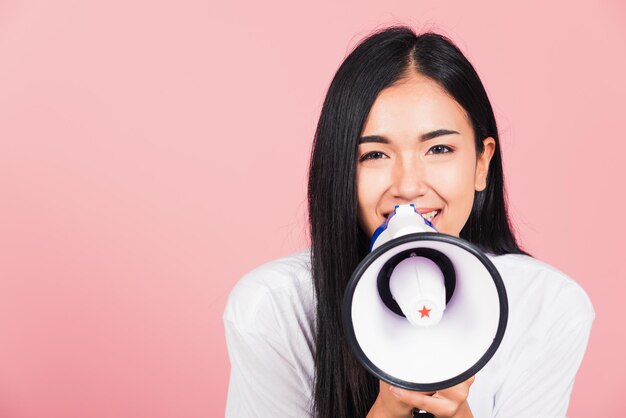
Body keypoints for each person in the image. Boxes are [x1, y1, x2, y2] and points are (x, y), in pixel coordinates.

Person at [223, 26, 594, 418]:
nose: (408, 186)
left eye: (438, 148)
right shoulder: (272, 309)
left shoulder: (549, 308)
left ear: (482, 163)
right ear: (339, 171)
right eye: (374, 155)